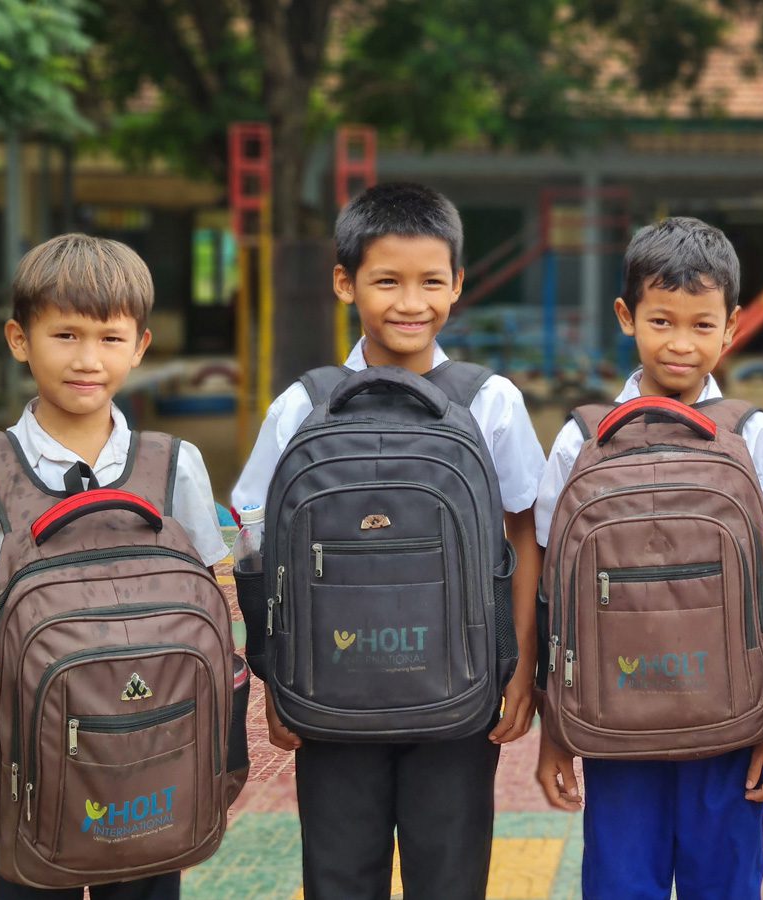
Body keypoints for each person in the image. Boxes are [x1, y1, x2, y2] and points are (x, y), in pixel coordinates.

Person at [230, 182, 545, 899]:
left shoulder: (489, 401)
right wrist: (274, 675)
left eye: (432, 281)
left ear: (458, 284)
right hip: (329, 698)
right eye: (387, 281)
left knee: (451, 882)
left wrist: (521, 666)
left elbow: (526, 532)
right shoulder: (304, 404)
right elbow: (253, 536)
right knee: (339, 881)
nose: (412, 302)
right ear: (346, 283)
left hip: (462, 696)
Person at [0, 234, 230, 899]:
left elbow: (209, 586)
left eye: (111, 339)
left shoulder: (173, 466)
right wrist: (4, 640)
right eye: (65, 335)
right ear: (19, 339)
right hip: (28, 751)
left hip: (152, 743)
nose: (88, 360)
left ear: (140, 347)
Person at [532, 216, 763, 898]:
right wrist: (555, 727)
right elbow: (553, 592)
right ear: (627, 317)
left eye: (701, 325)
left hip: (730, 722)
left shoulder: (756, 436)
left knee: (724, 885)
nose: (682, 344)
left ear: (732, 326)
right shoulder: (583, 440)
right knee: (618, 885)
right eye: (662, 321)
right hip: (611, 720)